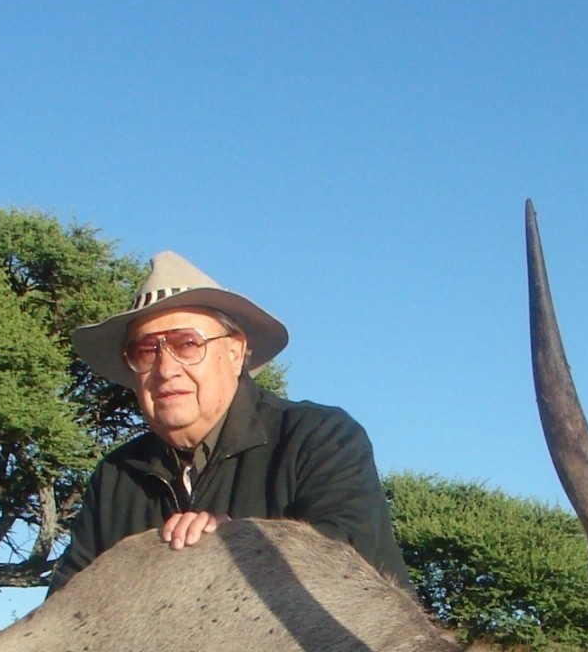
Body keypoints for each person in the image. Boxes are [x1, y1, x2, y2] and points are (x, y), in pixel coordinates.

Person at [49, 251, 407, 593]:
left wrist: (243, 544)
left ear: (235, 353)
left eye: (187, 344)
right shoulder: (114, 477)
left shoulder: (320, 436)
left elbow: (349, 564)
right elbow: (68, 608)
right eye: (146, 351)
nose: (165, 368)